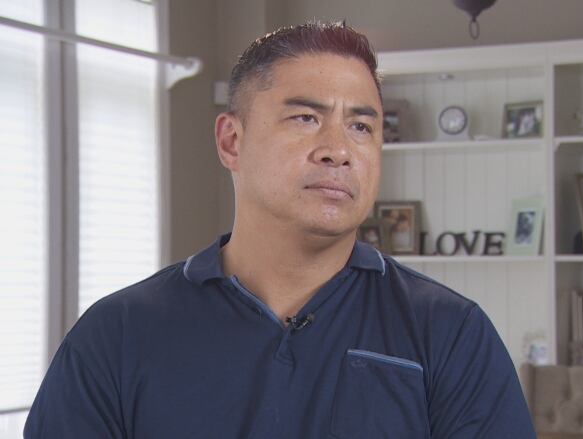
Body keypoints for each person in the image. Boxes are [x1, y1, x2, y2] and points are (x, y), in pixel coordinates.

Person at [24, 22, 536, 438]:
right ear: (231, 142)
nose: (338, 149)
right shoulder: (116, 335)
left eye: (362, 126)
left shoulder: (451, 334)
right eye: (305, 118)